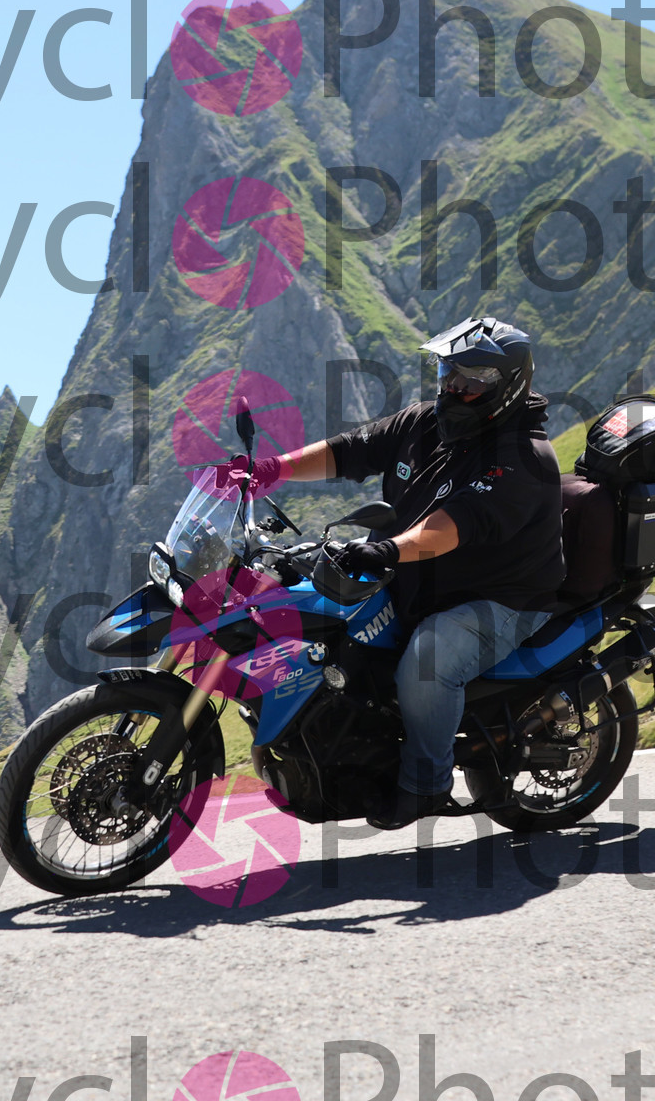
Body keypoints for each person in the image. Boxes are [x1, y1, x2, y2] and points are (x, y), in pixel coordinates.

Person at [221, 316, 565, 829]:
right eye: (449, 373)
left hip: (498, 600)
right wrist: (270, 470)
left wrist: (385, 550)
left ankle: (425, 784)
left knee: (427, 663)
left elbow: (450, 528)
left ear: (508, 385)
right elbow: (348, 450)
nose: (453, 387)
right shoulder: (426, 422)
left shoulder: (521, 458)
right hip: (412, 577)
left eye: (471, 380)